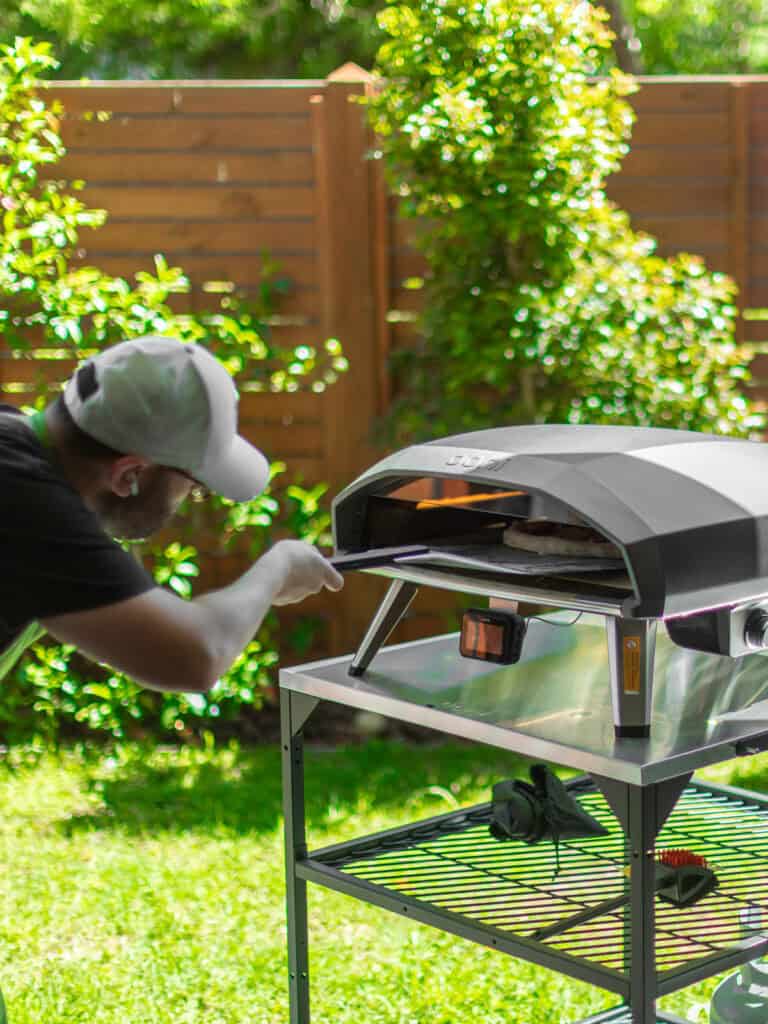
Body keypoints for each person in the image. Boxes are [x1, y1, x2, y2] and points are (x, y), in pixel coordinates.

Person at [0, 334, 344, 689]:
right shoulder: (28, 504)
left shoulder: (15, 449)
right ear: (129, 475)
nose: (190, 498)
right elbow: (196, 656)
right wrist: (279, 569)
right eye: (194, 486)